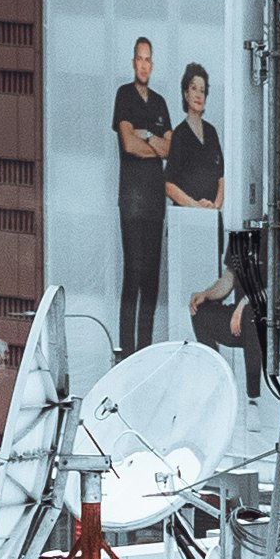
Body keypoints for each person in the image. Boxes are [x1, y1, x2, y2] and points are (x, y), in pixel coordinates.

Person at [164, 64, 237, 350]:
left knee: (211, 283)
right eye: (194, 88)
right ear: (185, 92)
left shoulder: (213, 132)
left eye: (203, 90)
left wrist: (216, 207)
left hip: (211, 226)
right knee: (186, 288)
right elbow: (168, 184)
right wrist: (196, 206)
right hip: (188, 226)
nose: (198, 95)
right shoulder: (180, 134)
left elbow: (222, 177)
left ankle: (210, 345)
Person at [108, 38, 172, 362]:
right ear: (133, 62)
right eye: (140, 59)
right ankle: (126, 350)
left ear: (152, 64)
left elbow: (170, 149)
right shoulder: (124, 96)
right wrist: (150, 143)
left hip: (154, 200)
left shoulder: (160, 103)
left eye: (149, 59)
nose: (144, 64)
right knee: (133, 271)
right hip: (132, 199)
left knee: (151, 279)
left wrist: (145, 135)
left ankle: (143, 349)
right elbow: (128, 145)